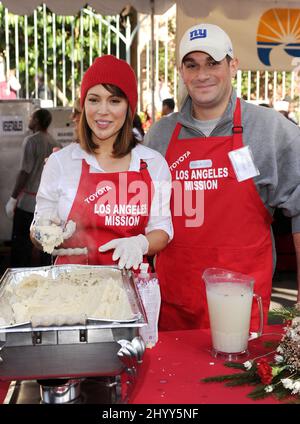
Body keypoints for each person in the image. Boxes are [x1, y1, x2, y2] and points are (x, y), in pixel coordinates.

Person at [145, 23, 300, 331]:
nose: (202, 75)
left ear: (233, 65)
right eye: (192, 65)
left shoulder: (270, 130)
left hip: (242, 308)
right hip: (174, 306)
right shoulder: (160, 135)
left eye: (213, 63)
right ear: (181, 71)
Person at [31, 55, 173, 270]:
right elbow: (37, 231)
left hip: (130, 290)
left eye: (114, 101)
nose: (102, 110)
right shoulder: (60, 162)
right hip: (68, 291)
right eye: (94, 99)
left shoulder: (153, 164)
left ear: (128, 107)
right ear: (83, 104)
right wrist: (44, 232)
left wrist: (140, 243)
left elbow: (162, 231)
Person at [5, 108, 61, 267]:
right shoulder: (55, 143)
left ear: (36, 121)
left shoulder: (31, 141)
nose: (29, 119)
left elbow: (24, 172)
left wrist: (13, 199)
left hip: (28, 203)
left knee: (21, 247)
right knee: (46, 247)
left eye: (31, 117)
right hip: (48, 206)